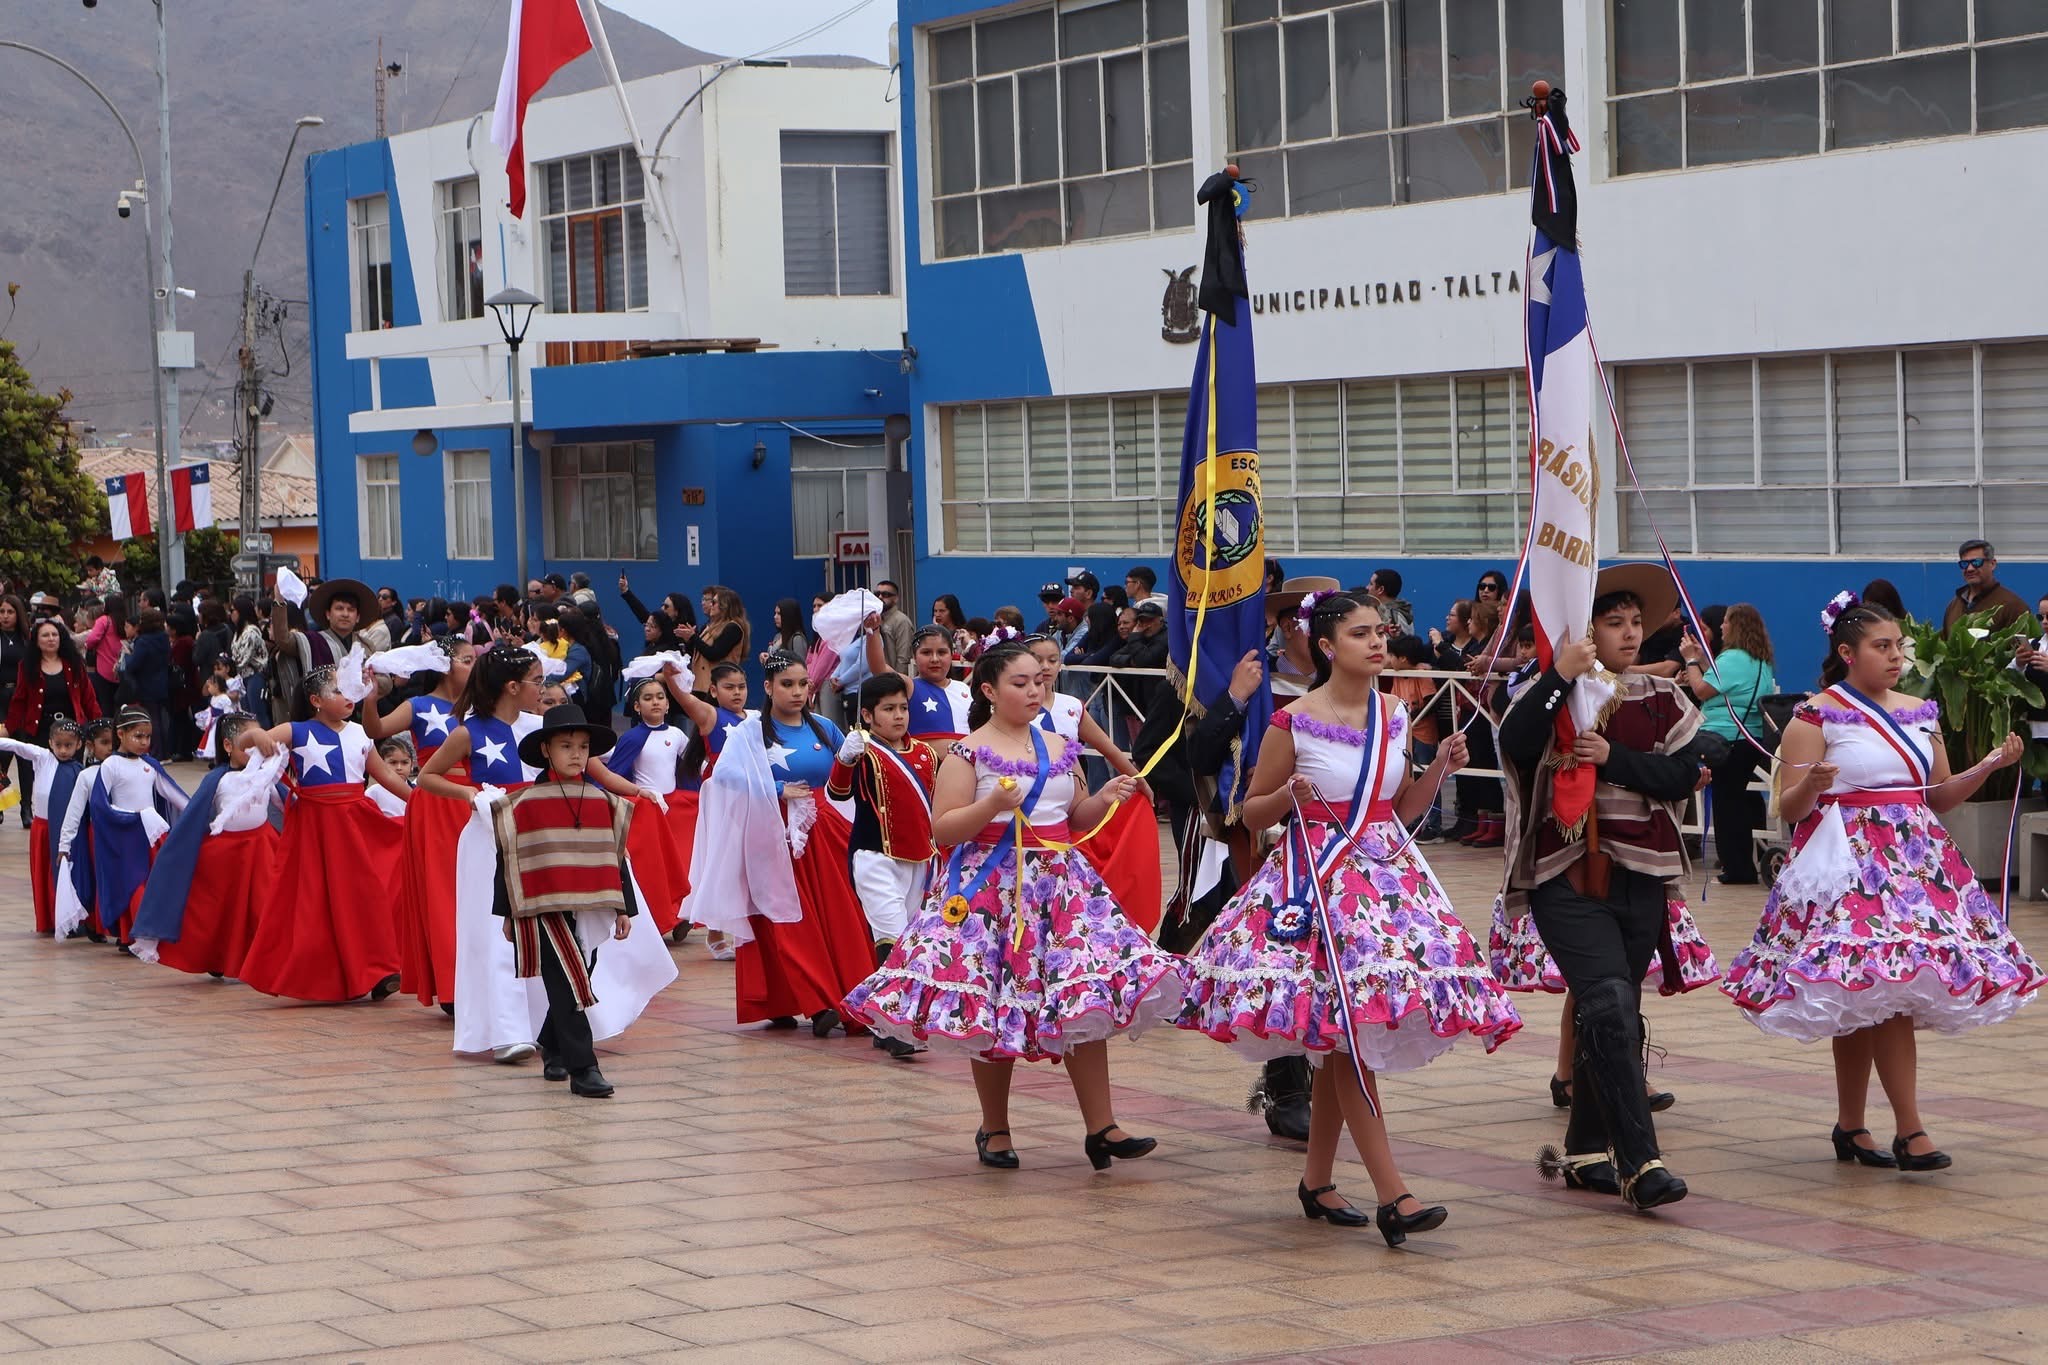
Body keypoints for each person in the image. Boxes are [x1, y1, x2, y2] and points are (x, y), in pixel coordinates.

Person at [1178, 592, 1515, 1245]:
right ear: (1327, 646)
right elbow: (1250, 813)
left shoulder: (1396, 713)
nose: (1377, 641)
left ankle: (1318, 1179)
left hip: (1387, 886)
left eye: (1380, 630)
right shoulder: (1293, 721)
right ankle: (1395, 1193)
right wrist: (1287, 795)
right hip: (1318, 885)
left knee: (1344, 1033)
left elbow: (1402, 804)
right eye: (1360, 633)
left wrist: (1442, 765)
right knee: (1349, 1031)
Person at [1722, 596, 2042, 1171]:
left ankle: (1867, 1127)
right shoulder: (1815, 715)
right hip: (1849, 866)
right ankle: (1898, 1129)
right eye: (1882, 647)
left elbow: (1938, 796)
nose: (1896, 656)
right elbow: (1789, 808)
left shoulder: (1921, 711)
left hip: (1916, 866)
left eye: (1899, 646)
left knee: (1882, 992)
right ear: (1846, 653)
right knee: (1867, 991)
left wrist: (1989, 766)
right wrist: (1814, 784)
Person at [843, 643, 1181, 1171]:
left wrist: (1108, 795)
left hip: (1060, 888)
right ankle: (995, 1127)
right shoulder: (967, 753)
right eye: (1020, 682)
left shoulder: (1056, 743)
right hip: (992, 890)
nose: (1034, 690)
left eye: (1038, 681)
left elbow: (1071, 816)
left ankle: (1102, 1126)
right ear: (988, 691)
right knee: (993, 1005)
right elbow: (943, 827)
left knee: (1080, 998)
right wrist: (992, 805)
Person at [1499, 563, 1710, 1211]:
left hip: (1642, 873)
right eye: (1612, 622)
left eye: (1635, 621)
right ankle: (1641, 1160)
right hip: (1564, 871)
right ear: (1585, 630)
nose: (1628, 632)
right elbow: (1515, 740)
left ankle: (1587, 1147)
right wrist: (1561, 673)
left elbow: (1683, 773)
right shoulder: (1554, 689)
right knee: (1611, 998)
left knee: (1614, 1008)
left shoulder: (1662, 695)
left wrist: (1613, 760)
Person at [490, 705, 643, 1099]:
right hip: (542, 905)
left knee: (580, 974)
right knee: (570, 980)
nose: (576, 754)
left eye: (583, 746)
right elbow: (509, 859)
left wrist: (623, 905)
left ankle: (551, 1045)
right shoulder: (524, 803)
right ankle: (584, 1068)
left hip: (591, 903)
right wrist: (507, 912)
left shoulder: (600, 799)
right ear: (546, 749)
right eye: (566, 745)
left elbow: (615, 854)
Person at [234, 668, 410, 1003]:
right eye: (337, 691)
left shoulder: (360, 733)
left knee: (367, 894)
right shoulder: (297, 730)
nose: (347, 697)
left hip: (356, 823)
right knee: (316, 901)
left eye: (349, 691)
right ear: (316, 701)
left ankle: (381, 969)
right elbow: (245, 746)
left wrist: (418, 802)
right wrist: (256, 735)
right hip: (315, 826)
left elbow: (384, 774)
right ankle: (327, 973)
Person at [827, 673, 940, 1060]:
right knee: (890, 940)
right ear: (867, 715)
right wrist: (844, 759)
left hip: (919, 860)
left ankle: (886, 1023)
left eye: (903, 708)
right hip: (874, 856)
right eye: (888, 709)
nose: (898, 716)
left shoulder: (925, 754)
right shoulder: (864, 750)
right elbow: (836, 793)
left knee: (910, 943)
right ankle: (893, 1028)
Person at [129, 712, 280, 977]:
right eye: (248, 745)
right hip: (227, 856)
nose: (255, 751)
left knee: (264, 907)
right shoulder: (218, 780)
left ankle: (266, 961)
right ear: (228, 746)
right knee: (220, 912)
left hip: (263, 848)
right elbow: (192, 817)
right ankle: (218, 957)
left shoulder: (268, 775)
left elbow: (286, 805)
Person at [54, 706, 189, 945]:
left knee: (149, 882)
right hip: (122, 836)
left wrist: (201, 815)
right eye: (138, 736)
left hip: (148, 835)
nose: (144, 742)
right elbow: (100, 805)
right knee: (131, 884)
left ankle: (143, 932)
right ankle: (132, 935)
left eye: (148, 737)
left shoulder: (150, 765)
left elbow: (175, 795)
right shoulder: (111, 766)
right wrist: (132, 817)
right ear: (121, 734)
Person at [588, 675, 694, 938]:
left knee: (682, 861)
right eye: (648, 698)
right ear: (637, 707)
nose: (655, 702)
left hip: (674, 809)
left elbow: (693, 766)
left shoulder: (677, 735)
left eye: (660, 697)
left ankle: (680, 913)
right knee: (656, 866)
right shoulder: (633, 738)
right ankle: (662, 917)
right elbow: (615, 774)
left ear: (668, 704)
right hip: (648, 810)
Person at [1679, 603, 1777, 885]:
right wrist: (1701, 662)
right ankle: (1744, 862)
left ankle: (1736, 868)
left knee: (1726, 805)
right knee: (1743, 802)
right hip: (1750, 738)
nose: (1721, 627)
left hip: (1726, 738)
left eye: (1725, 622)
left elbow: (1701, 689)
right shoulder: (1760, 660)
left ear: (1736, 626)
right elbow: (1724, 684)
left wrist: (1690, 661)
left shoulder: (1732, 657)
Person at [0, 719, 86, 933]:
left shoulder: (80, 770)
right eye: (59, 745)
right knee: (43, 873)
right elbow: (16, 746)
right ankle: (48, 919)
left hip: (66, 831)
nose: (64, 751)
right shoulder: (42, 757)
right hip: (42, 828)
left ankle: (71, 920)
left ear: (79, 745)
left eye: (69, 745)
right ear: (50, 743)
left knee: (65, 874)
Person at [271, 578, 376, 722]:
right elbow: (283, 639)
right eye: (339, 608)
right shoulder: (311, 641)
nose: (345, 614)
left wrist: (368, 680)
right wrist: (279, 601)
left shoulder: (367, 646)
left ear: (357, 617)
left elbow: (385, 683)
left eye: (351, 610)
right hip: (321, 719)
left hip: (359, 720)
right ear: (328, 614)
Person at [864, 620, 970, 741]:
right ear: (914, 656)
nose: (935, 659)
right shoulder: (910, 687)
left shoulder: (964, 688)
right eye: (926, 653)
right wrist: (873, 630)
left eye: (942, 652)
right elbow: (879, 668)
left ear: (952, 654)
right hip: (923, 759)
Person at [1942, 539, 2030, 631]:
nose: (1970, 569)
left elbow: (2023, 644)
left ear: (1992, 564)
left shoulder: (2012, 606)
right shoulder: (1954, 605)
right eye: (1964, 564)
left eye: (1976, 562)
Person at [121, 608, 173, 759]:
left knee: (152, 719)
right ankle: (165, 751)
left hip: (146, 683)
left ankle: (156, 752)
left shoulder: (143, 641)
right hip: (162, 681)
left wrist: (128, 656)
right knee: (160, 718)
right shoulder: (163, 638)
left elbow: (134, 664)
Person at [683, 585, 749, 693]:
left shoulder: (733, 628)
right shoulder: (707, 627)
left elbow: (714, 654)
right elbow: (697, 655)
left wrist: (694, 637)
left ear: (725, 606)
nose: (710, 605)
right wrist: (689, 640)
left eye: (714, 602)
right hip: (699, 684)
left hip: (717, 687)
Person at [78, 594, 128, 718]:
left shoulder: (104, 620)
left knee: (105, 703)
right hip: (123, 666)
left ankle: (107, 731)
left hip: (104, 667)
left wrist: (88, 646)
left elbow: (92, 639)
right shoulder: (125, 621)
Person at [229, 595, 271, 727]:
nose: (231, 614)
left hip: (255, 676)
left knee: (258, 714)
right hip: (243, 677)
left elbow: (242, 659)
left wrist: (230, 663)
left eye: (233, 610)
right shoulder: (238, 632)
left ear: (241, 612)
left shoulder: (251, 632)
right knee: (247, 715)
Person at [873, 580, 914, 674]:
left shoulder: (901, 621)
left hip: (892, 678)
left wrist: (897, 681)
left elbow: (904, 657)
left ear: (895, 598)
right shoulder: (874, 619)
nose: (880, 597)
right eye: (877, 594)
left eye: (885, 594)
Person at [369, 737, 414, 819]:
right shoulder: (373, 792)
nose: (399, 768)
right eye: (393, 762)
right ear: (382, 763)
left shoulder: (417, 790)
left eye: (404, 762)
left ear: (412, 765)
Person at [1364, 569, 1413, 638]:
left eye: (1371, 584)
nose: (1367, 587)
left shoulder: (1394, 616)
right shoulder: (1401, 609)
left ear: (1381, 589)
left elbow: (1399, 645)